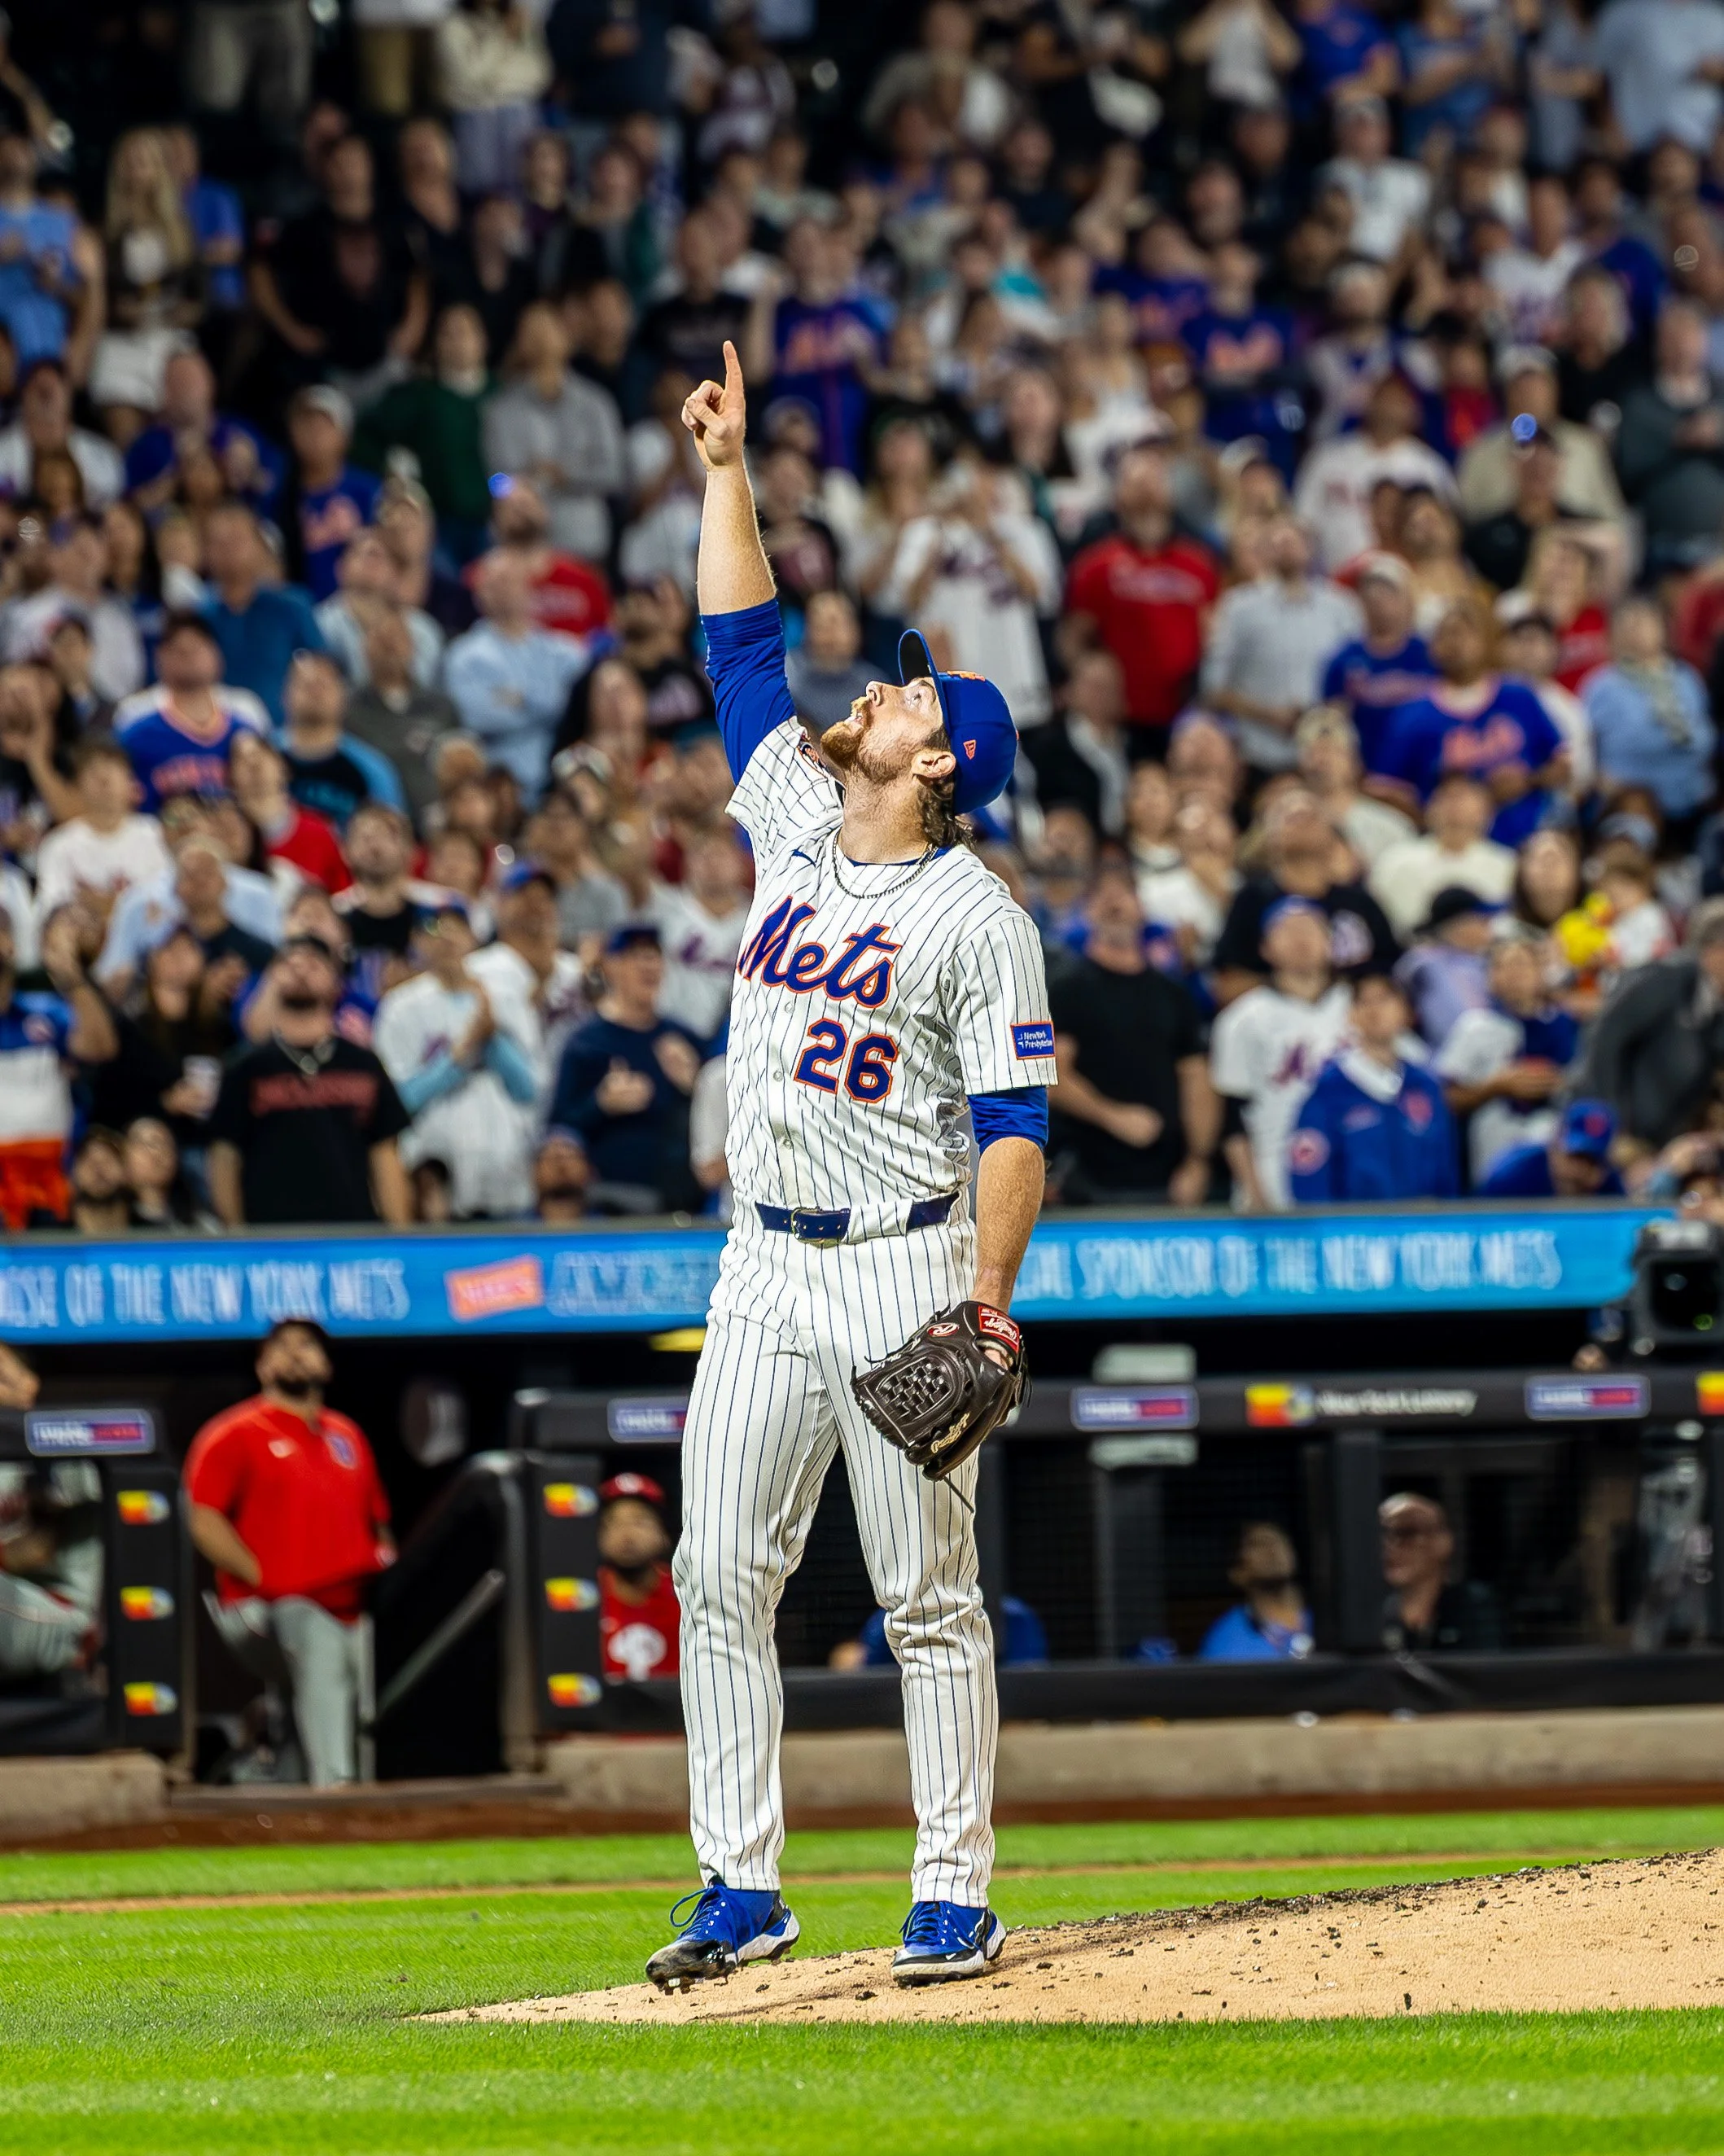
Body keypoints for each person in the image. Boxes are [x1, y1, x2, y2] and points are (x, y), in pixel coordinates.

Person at [643, 342, 1053, 1993]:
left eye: (906, 694)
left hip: (902, 1255)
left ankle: (953, 1890)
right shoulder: (800, 822)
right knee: (712, 1569)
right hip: (762, 1254)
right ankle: (741, 1883)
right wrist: (725, 473)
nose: (878, 691)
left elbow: (1019, 1127)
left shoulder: (978, 917)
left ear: (942, 760)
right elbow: (741, 647)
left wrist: (990, 1299)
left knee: (924, 1598)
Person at [184, 1321, 395, 1788]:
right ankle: (335, 1790)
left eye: (307, 1346)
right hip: (259, 1609)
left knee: (343, 1683)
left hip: (346, 1607)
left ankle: (296, 1793)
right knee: (309, 1625)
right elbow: (203, 1519)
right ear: (262, 1368)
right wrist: (262, 1576)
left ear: (327, 1365)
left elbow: (378, 1518)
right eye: (280, 1348)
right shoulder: (235, 1431)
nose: (295, 1355)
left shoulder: (347, 1435)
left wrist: (383, 1555)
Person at [206, 936, 413, 1227]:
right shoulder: (246, 1068)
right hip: (269, 1240)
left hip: (353, 1236)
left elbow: (385, 1154)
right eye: (290, 964)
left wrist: (399, 1236)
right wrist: (236, 1236)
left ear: (336, 982)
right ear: (272, 979)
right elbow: (224, 1157)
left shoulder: (364, 1063)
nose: (301, 970)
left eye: (314, 964)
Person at [1048, 871, 1218, 1205]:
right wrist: (1113, 1117)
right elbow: (1052, 1077)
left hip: (1169, 1178)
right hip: (1088, 1177)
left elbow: (1197, 1081)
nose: (1114, 903)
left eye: (1124, 894)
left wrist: (1198, 1162)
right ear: (1088, 911)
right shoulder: (1067, 990)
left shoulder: (1173, 994)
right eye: (1102, 896)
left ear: (1142, 908)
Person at [373, 898, 540, 1219]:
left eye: (457, 927)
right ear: (416, 941)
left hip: (507, 1174)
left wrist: (491, 1040)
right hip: (437, 1186)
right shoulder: (399, 1008)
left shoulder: (505, 998)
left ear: (472, 938)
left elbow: (528, 1090)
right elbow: (399, 1102)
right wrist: (458, 1058)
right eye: (434, 928)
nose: (447, 936)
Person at [1065, 435, 1221, 750]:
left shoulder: (1199, 563)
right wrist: (1091, 681)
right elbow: (1072, 638)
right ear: (1119, 494)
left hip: (1184, 713)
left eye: (1155, 480)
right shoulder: (1097, 565)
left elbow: (1215, 635)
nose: (1147, 489)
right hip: (1120, 717)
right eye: (1137, 481)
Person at [1376, 596, 1567, 849]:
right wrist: (1431, 815)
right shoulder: (1413, 715)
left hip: (1526, 844)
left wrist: (1528, 780)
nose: (1457, 642)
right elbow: (1383, 789)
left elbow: (1563, 765)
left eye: (1466, 632)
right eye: (1447, 633)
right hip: (1447, 849)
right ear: (1433, 647)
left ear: (1487, 642)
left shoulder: (1519, 696)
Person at [549, 922, 702, 1213]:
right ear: (611, 966)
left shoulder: (683, 1040)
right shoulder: (586, 1042)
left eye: (654, 956)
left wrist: (695, 1087)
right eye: (636, 956)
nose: (649, 965)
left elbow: (721, 1119)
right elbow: (558, 1125)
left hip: (681, 1203)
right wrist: (601, 1103)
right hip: (605, 1204)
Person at [1210, 897, 1351, 1211]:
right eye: (1287, 931)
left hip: (1356, 1163)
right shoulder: (1242, 1019)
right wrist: (1252, 1188)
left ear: (1331, 943)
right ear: (1266, 948)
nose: (1301, 939)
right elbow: (1231, 1117)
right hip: (1275, 1165)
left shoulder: (1360, 1007)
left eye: (1311, 929)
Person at [1199, 513, 1362, 773]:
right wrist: (1268, 714)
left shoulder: (1341, 607)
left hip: (1327, 752)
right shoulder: (1238, 607)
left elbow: (1359, 675)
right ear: (1264, 552)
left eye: (1294, 540)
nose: (1287, 547)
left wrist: (1323, 715)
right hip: (1258, 751)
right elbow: (1213, 686)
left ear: (1310, 547)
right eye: (1277, 542)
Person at [1288, 972, 1459, 1202]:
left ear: (1406, 1011)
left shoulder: (1424, 1086)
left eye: (1384, 999)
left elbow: (1445, 1169)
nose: (1374, 1010)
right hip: (1355, 1232)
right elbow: (1310, 1177)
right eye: (1363, 1001)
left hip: (1420, 1229)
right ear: (1351, 1015)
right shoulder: (1328, 1090)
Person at [1573, 899, 1724, 1153]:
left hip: (1660, 1144)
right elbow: (1607, 1036)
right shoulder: (1666, 979)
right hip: (1605, 1136)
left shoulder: (1715, 1003)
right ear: (1714, 952)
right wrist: (1614, 1126)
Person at [483, 300, 628, 563]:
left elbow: (614, 472)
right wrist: (523, 485)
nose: (540, 339)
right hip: (522, 543)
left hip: (584, 543)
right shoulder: (501, 410)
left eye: (547, 329)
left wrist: (565, 475)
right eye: (530, 331)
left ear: (566, 337)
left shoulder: (595, 403)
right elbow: (495, 480)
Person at [1436, 922, 1578, 1185]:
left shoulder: (1566, 1026)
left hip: (1556, 1160)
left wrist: (1561, 1084)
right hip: (1494, 1158)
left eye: (1522, 964)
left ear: (1540, 972)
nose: (1514, 974)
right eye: (1502, 965)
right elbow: (1444, 1099)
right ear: (1490, 977)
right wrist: (1495, 1087)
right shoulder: (1475, 1026)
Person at [0, 906, 116, 1229]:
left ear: (11, 945)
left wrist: (73, 979)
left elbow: (100, 1048)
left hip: (51, 1181)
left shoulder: (48, 1013)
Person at [444, 550, 592, 794]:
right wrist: (551, 703)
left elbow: (579, 710)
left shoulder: (564, 651)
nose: (505, 591)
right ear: (480, 594)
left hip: (563, 777)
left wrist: (519, 700)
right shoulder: (464, 656)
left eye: (511, 581)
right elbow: (477, 716)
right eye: (495, 584)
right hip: (499, 781)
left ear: (528, 588)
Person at [112, 611, 269, 813]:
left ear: (216, 655)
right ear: (159, 658)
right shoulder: (135, 722)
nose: (188, 656)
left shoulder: (246, 716)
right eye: (178, 650)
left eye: (196, 648)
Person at [1582, 600, 1716, 822]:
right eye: (1627, 624)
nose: (1635, 630)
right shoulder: (1601, 685)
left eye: (1643, 621)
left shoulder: (1687, 678)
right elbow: (1588, 749)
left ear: (1663, 630)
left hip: (1695, 798)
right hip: (1628, 804)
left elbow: (1705, 738)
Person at [200, 499, 326, 728]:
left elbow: (319, 669)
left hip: (284, 736)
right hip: (215, 738)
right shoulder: (198, 616)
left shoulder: (292, 607)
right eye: (218, 542)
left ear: (260, 548)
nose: (228, 550)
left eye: (237, 540)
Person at [1319, 552, 1435, 772]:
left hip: (1424, 767)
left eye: (1389, 591)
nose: (1378, 598)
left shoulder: (1430, 653)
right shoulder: (1343, 659)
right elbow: (1331, 723)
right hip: (1365, 769)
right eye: (1371, 591)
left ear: (1408, 599)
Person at [33, 737, 171, 922]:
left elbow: (166, 903)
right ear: (77, 785)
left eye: (113, 770)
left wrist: (112, 906)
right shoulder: (59, 844)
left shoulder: (155, 834)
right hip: (83, 940)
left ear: (131, 783)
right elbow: (51, 911)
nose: (103, 779)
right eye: (92, 771)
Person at [1367, 774, 1516, 941]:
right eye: (1446, 797)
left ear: (1487, 811)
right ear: (1430, 808)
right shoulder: (1395, 861)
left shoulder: (1508, 865)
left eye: (1462, 797)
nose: (1454, 806)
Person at [279, 650, 407, 831]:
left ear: (343, 697)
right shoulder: (261, 758)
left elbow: (392, 836)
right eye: (306, 685)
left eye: (323, 685)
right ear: (284, 694)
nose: (315, 693)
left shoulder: (373, 770)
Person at [1380, 1492, 1502, 1652]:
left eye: (1406, 1533)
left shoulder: (1472, 1607)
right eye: (1382, 1534)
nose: (1390, 1547)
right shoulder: (1365, 1614)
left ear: (1443, 1542)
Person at [597, 1470, 680, 1682]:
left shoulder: (686, 1593)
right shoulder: (583, 1595)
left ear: (663, 1534)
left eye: (640, 1522)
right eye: (614, 1523)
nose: (627, 1535)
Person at [1195, 1523, 1313, 1662]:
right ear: (1237, 1573)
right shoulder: (1226, 1643)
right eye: (1258, 1544)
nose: (1273, 1549)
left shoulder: (1332, 1620)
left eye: (1279, 1541)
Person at [1477, 1095, 1626, 1197]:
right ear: (1554, 1148)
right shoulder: (1513, 1177)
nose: (1579, 1173)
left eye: (1593, 1163)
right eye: (1575, 1158)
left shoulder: (1610, 1188)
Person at [783, 589, 875, 736]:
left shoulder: (872, 685)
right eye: (821, 626)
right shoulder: (787, 678)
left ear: (856, 631)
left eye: (837, 624)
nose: (830, 634)